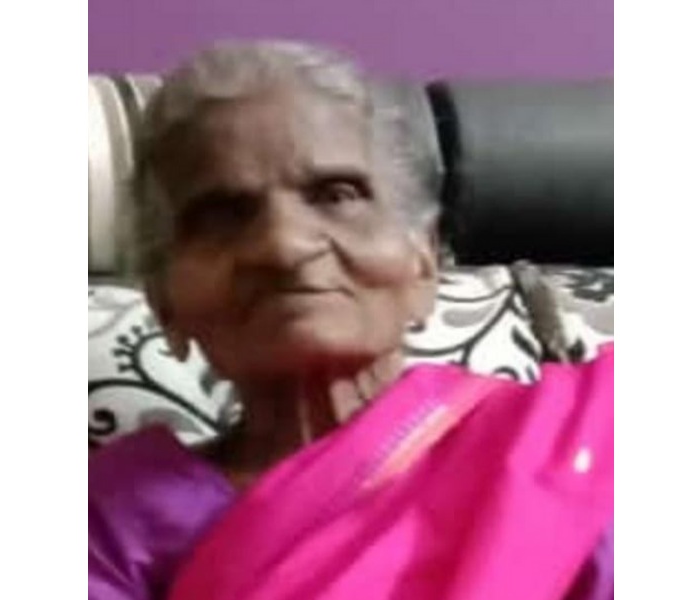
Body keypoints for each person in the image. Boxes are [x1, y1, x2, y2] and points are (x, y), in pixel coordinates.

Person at [89, 40, 613, 600]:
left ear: (423, 260)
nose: (283, 245)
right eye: (221, 215)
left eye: (337, 195)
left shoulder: (573, 442)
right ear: (165, 302)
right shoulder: (114, 514)